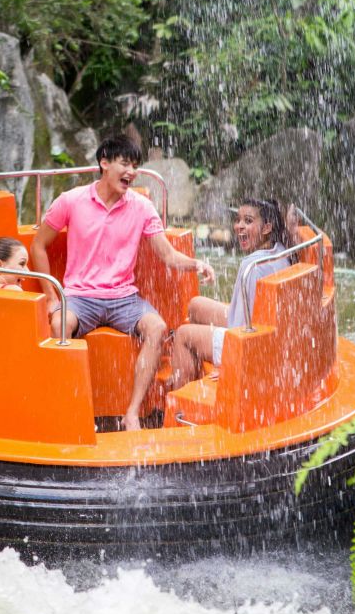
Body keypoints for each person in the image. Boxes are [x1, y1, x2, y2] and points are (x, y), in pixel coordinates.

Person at [30, 135, 216, 431]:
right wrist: (51, 296)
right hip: (80, 296)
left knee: (156, 328)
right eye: (125, 163)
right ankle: (73, 409)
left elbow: (167, 254)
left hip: (123, 298)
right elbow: (38, 245)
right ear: (104, 163)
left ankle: (132, 412)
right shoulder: (71, 200)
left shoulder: (142, 207)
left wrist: (197, 264)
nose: (131, 172)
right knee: (59, 325)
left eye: (135, 166)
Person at [169, 199, 294, 390]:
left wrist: (229, 364)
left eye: (248, 221)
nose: (239, 226)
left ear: (267, 227)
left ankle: (180, 402)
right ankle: (191, 370)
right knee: (195, 304)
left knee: (183, 335)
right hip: (263, 329)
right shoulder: (281, 250)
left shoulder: (252, 267)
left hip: (248, 345)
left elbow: (242, 327)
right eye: (238, 219)